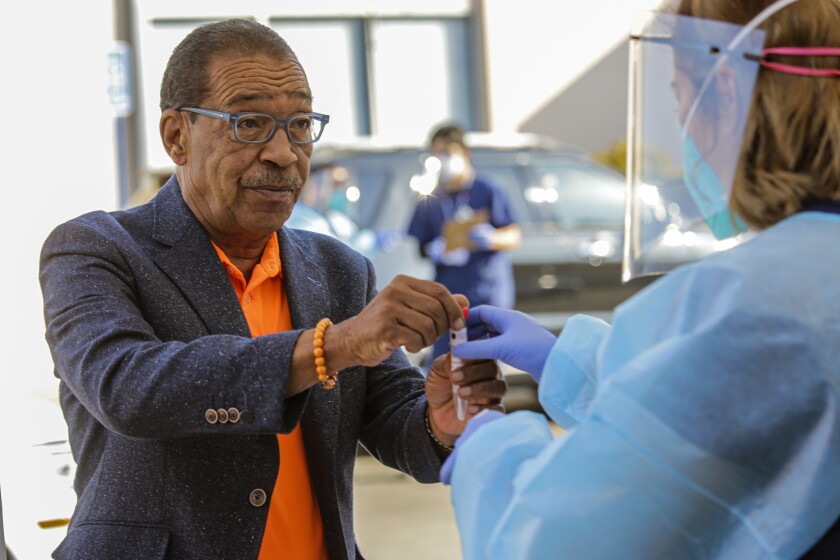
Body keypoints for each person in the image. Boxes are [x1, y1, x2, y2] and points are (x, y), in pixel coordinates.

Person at [39, 20, 506, 559]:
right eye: (251, 123)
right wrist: (332, 346)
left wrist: (441, 420)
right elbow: (129, 388)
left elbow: (395, 421)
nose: (284, 153)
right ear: (176, 136)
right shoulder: (96, 248)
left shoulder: (339, 270)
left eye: (301, 124)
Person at [440, 0, 840, 558]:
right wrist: (569, 364)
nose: (679, 126)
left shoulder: (754, 299)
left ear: (726, 91)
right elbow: (716, 409)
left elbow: (564, 541)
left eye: (680, 99)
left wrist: (492, 449)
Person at [406, 125, 522, 363]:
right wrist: (434, 249)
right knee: (446, 366)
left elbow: (513, 235)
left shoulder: (487, 190)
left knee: (483, 370)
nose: (443, 160)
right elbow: (420, 245)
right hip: (449, 298)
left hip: (486, 293)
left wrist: (490, 238)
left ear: (464, 152)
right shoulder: (432, 197)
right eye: (437, 154)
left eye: (448, 152)